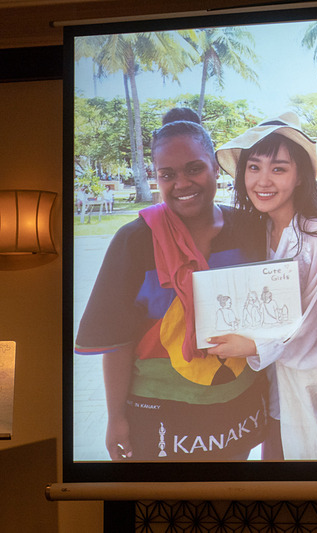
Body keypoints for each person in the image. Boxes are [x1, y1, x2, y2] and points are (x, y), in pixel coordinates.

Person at [75, 115, 269, 461]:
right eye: (168, 174)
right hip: (160, 419)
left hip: (238, 409)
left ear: (215, 168)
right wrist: (115, 417)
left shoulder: (250, 229)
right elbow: (118, 341)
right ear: (157, 177)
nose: (182, 183)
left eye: (194, 168)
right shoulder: (133, 242)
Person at [208, 113, 317, 460]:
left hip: (316, 379)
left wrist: (251, 345)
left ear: (299, 178)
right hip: (279, 379)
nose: (263, 181)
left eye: (278, 169)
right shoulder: (258, 229)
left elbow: (310, 318)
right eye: (254, 168)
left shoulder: (316, 232)